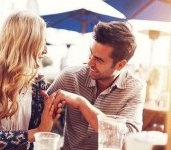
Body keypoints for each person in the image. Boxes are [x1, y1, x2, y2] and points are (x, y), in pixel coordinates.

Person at [46, 21, 146, 149]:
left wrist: (81, 103)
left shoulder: (135, 88)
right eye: (91, 54)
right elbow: (38, 113)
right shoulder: (70, 76)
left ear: (120, 65)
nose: (90, 63)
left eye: (99, 60)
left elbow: (128, 141)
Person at [0, 11, 62, 150]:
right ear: (25, 44)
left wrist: (48, 116)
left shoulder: (37, 82)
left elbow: (37, 130)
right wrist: (37, 132)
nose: (45, 50)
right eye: (41, 42)